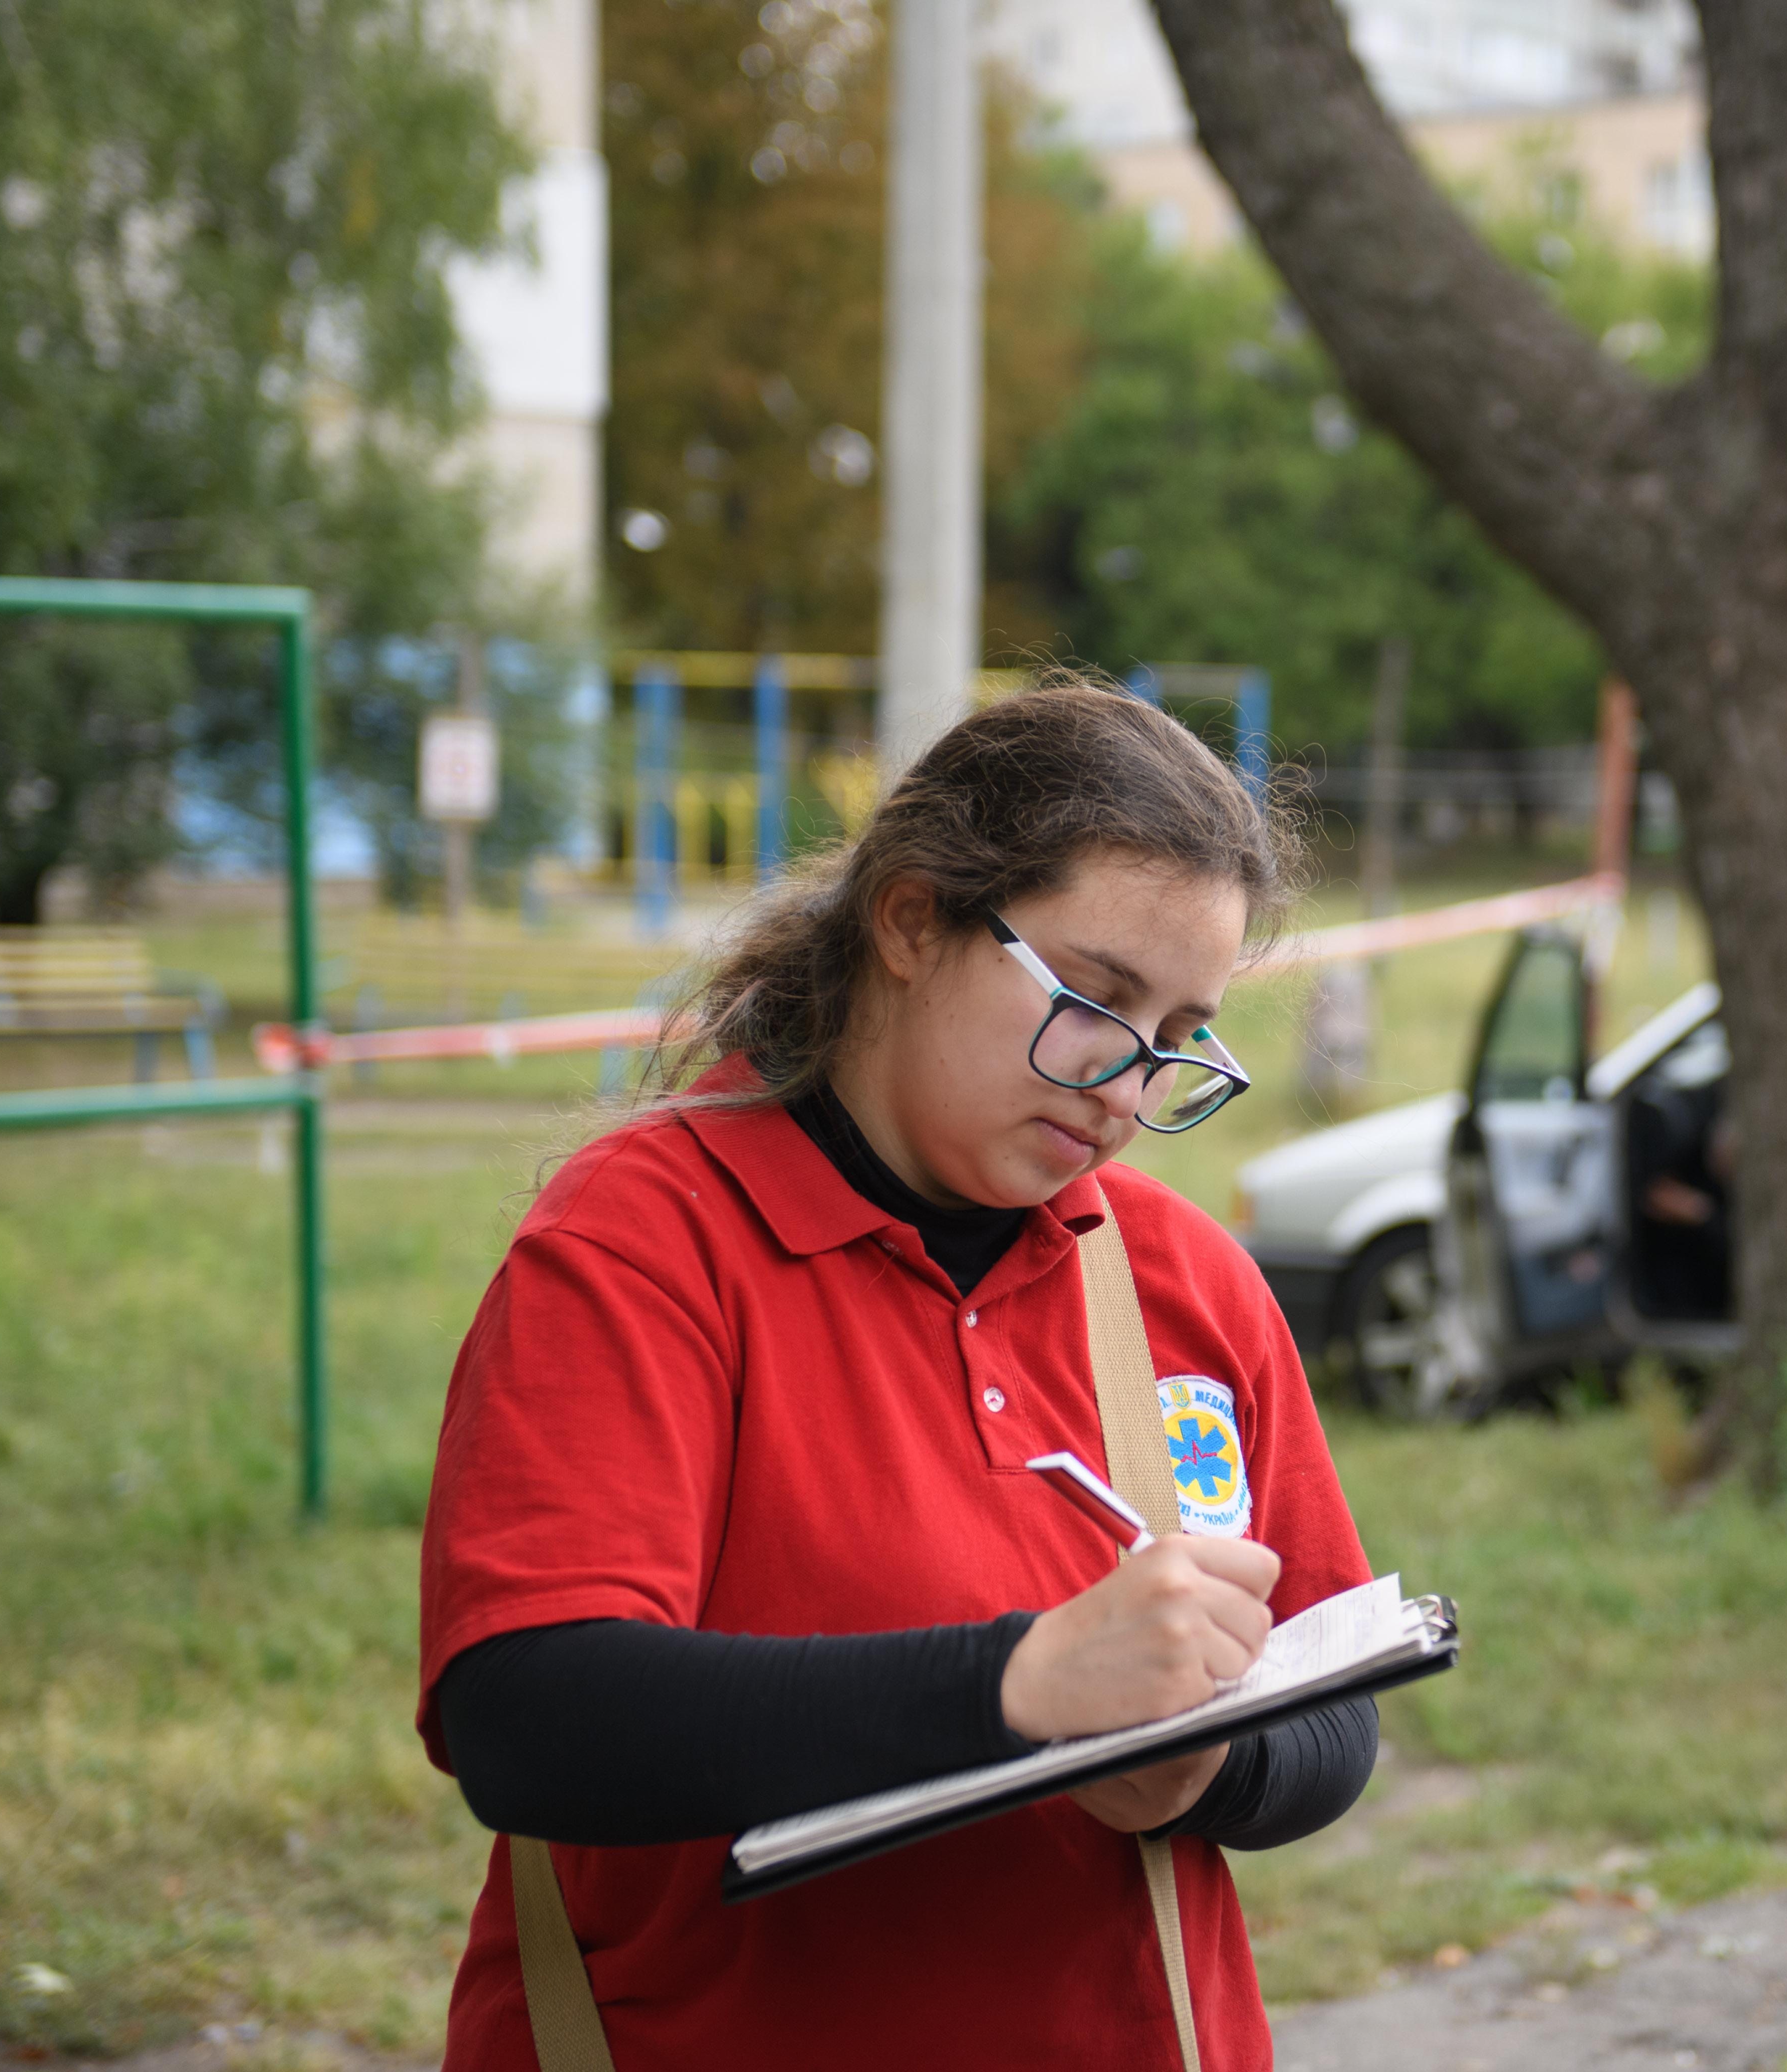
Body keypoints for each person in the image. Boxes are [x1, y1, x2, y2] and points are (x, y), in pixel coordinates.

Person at [416, 684, 1378, 2069]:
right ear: (914, 920)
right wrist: (1021, 1683)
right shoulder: (641, 1243)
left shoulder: (1180, 1276)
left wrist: (1209, 1769)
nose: (1121, 1089)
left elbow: (1332, 1707)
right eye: (1094, 1003)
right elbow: (532, 1719)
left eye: (1177, 1037)